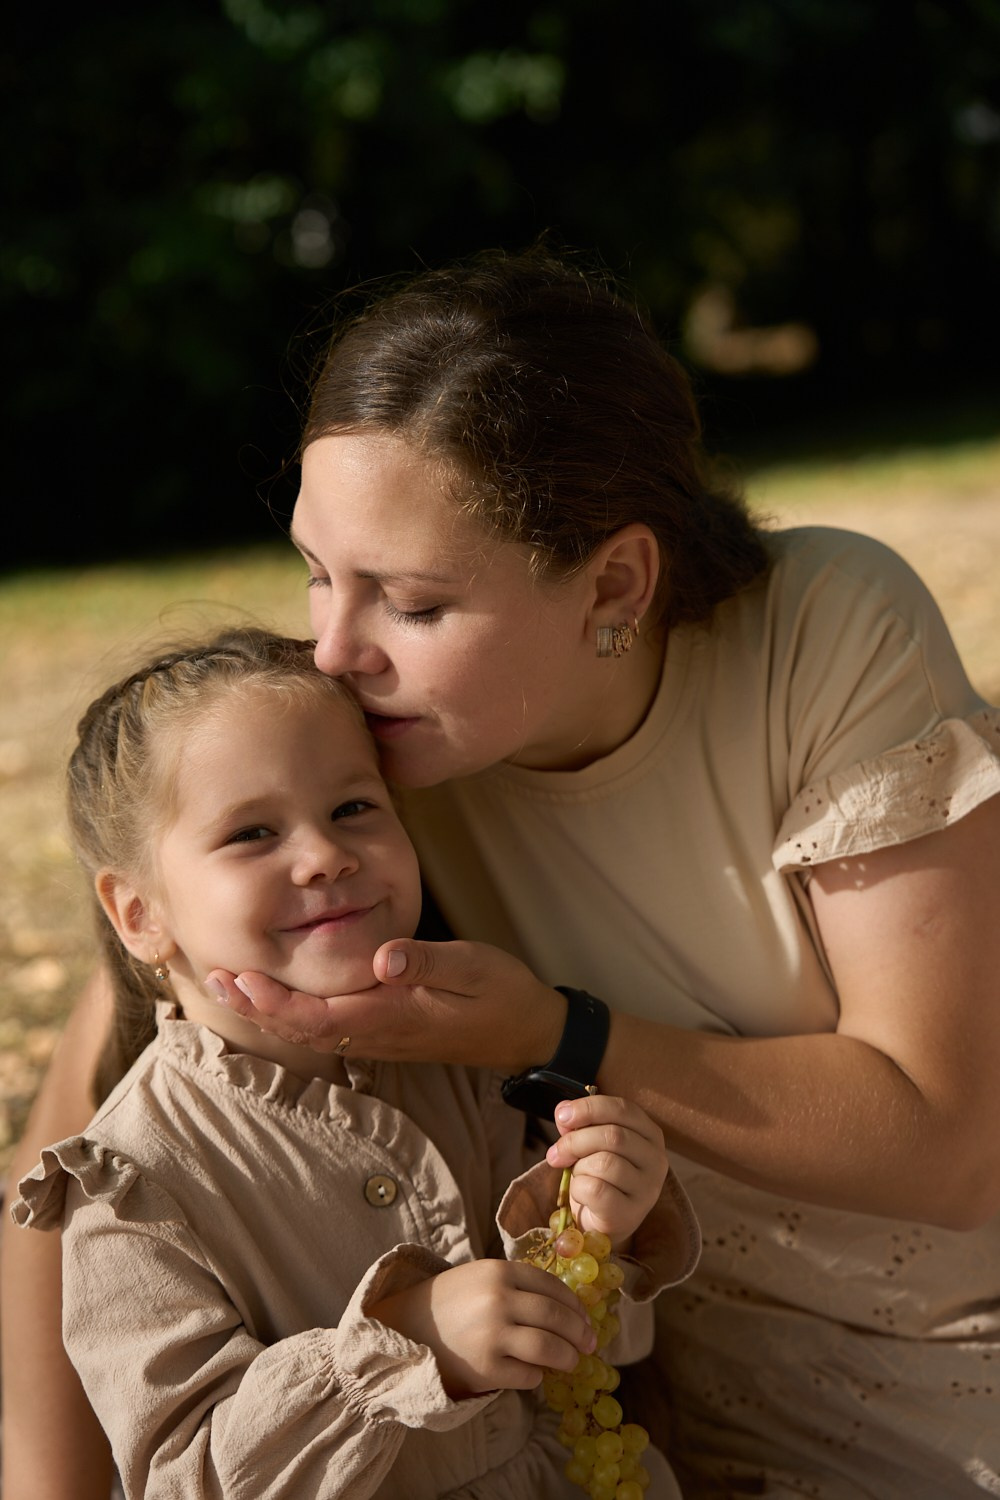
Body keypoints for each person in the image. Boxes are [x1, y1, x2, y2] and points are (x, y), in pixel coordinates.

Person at [5, 245, 1000, 1496]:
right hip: (614, 1408)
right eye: (318, 575)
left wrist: (557, 1034)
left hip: (935, 1380)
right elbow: (93, 1113)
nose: (332, 652)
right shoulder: (353, 776)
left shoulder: (825, 632)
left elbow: (950, 1149)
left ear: (615, 582)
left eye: (410, 603)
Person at [9, 627, 694, 1499]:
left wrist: (600, 1229)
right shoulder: (136, 1183)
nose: (325, 854)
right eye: (253, 832)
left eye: (353, 810)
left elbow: (584, 1361)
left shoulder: (458, 1056)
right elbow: (190, 1479)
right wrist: (400, 1347)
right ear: (140, 912)